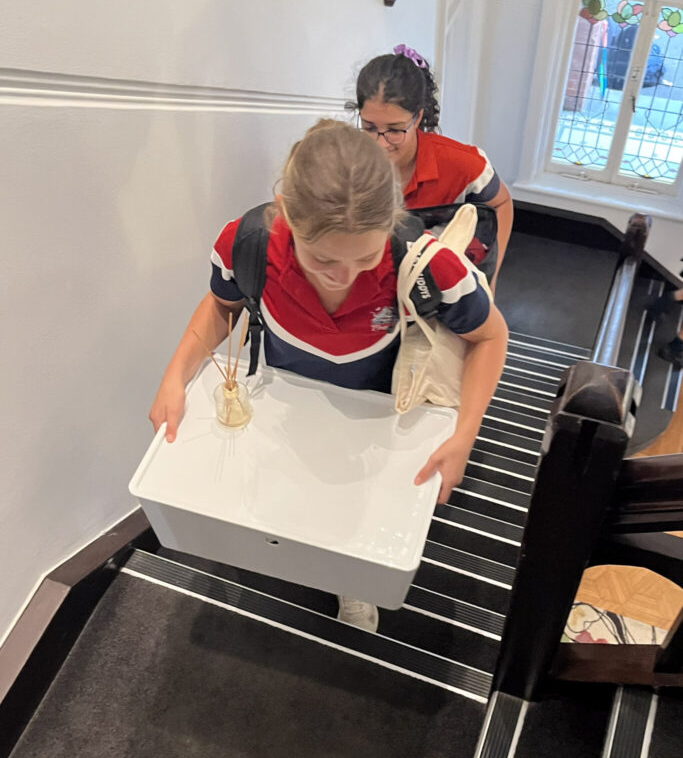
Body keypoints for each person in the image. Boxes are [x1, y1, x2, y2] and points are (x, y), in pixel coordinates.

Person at [149, 120, 508, 631]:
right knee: (287, 486)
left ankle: (350, 581)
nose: (344, 277)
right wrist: (174, 376)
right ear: (286, 214)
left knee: (352, 511)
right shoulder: (246, 244)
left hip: (375, 419)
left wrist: (465, 435)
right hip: (286, 400)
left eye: (366, 256)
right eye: (321, 259)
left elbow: (490, 336)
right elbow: (221, 306)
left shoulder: (426, 265)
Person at [349, 45, 513, 291]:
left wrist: (489, 276)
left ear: (417, 118)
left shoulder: (462, 164)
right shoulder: (347, 162)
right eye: (369, 127)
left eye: (395, 130)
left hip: (436, 287)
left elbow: (501, 204)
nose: (381, 143)